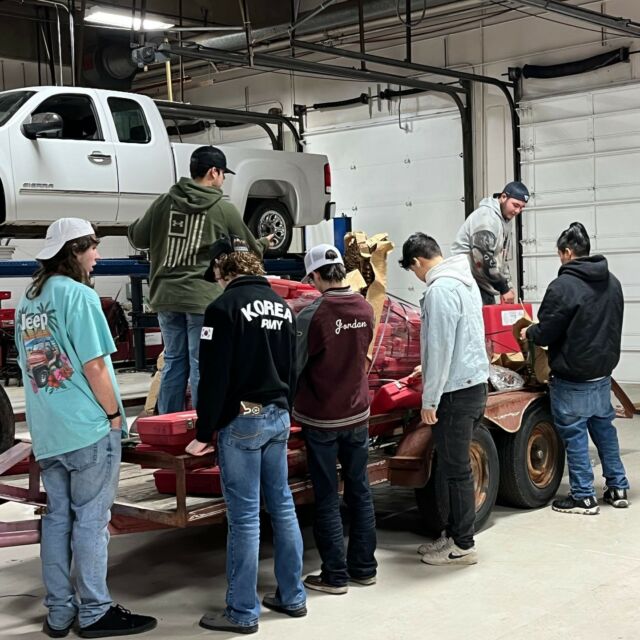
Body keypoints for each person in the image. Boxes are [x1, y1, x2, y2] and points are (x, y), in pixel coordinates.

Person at [14, 218, 157, 638]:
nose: (97, 256)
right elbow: (94, 365)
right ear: (74, 251)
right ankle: (95, 611)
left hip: (48, 430)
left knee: (58, 519)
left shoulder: (30, 299)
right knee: (92, 521)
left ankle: (60, 612)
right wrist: (115, 416)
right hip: (87, 427)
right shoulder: (79, 296)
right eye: (92, 248)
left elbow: (33, 366)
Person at [185, 236, 305, 634]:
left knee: (245, 518)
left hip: (245, 417)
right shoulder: (282, 308)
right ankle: (293, 596)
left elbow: (213, 377)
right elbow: (292, 367)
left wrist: (205, 429)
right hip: (277, 415)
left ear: (225, 270)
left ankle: (241, 611)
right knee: (283, 507)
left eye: (216, 275)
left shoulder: (222, 308)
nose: (215, 282)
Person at [128, 145, 271, 415]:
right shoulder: (222, 208)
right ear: (212, 172)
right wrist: (264, 242)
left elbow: (138, 237)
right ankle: (201, 425)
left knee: (173, 361)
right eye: (222, 174)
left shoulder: (163, 202)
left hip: (165, 297)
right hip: (202, 301)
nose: (223, 180)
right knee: (200, 362)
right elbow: (249, 248)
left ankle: (168, 421)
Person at [521, 222, 629, 515]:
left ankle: (583, 496)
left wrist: (530, 333)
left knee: (574, 433)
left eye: (559, 254)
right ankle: (617, 487)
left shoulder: (563, 286)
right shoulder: (613, 282)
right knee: (604, 430)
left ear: (568, 252)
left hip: (572, 377)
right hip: (602, 373)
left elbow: (546, 332)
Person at [400, 232, 489, 565]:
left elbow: (439, 347)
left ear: (418, 261)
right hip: (474, 383)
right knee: (455, 468)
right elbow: (460, 338)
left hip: (454, 392)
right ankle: (452, 535)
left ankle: (463, 544)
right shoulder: (465, 283)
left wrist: (429, 400)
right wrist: (429, 369)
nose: (417, 277)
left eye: (413, 271)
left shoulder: (438, 290)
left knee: (455, 471)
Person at [293, 244, 377, 595]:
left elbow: (294, 368)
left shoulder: (312, 314)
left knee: (327, 496)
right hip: (358, 414)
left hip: (322, 419)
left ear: (314, 276)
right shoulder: (365, 307)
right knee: (360, 490)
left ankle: (335, 576)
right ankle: (364, 567)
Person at [451, 181, 529, 305]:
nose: (517, 211)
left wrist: (508, 285)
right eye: (515, 205)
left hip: (481, 284)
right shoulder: (487, 219)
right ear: (503, 197)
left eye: (521, 207)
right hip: (467, 284)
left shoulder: (504, 220)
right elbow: (483, 260)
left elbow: (501, 257)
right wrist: (503, 288)